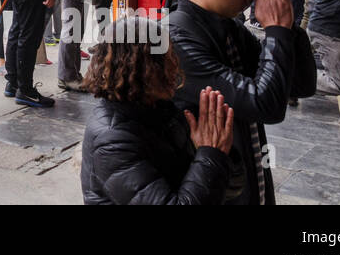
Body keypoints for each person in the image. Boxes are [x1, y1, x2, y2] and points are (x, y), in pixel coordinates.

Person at [169, 0, 317, 205]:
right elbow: (265, 105)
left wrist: (288, 28)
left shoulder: (231, 27)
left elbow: (300, 86)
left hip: (248, 170)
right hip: (212, 183)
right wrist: (276, 30)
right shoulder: (177, 38)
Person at [81, 18, 234, 205]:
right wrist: (210, 154)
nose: (174, 68)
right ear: (135, 69)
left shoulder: (161, 107)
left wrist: (212, 148)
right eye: (163, 62)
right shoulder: (112, 142)